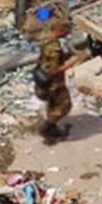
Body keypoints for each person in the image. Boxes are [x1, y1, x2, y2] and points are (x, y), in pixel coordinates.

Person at [35, 14, 76, 143]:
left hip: (44, 79)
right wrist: (69, 64)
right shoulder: (54, 49)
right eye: (66, 31)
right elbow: (52, 70)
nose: (67, 34)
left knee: (53, 104)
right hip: (54, 82)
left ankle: (51, 126)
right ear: (60, 31)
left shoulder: (47, 38)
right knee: (64, 105)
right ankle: (48, 127)